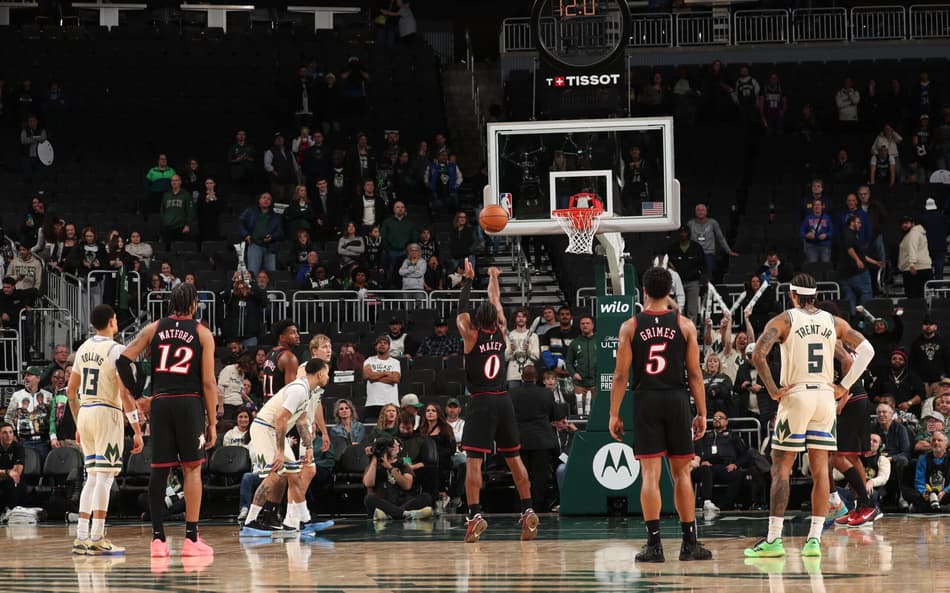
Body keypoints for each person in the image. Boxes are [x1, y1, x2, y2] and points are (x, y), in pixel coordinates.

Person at [744, 273, 874, 558]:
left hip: (796, 396)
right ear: (814, 295)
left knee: (781, 469)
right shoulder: (833, 322)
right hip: (825, 399)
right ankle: (814, 539)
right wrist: (844, 386)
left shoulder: (785, 319)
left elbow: (758, 354)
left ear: (792, 294)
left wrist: (774, 390)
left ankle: (773, 540)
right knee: (820, 470)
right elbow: (866, 350)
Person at [608, 266, 712, 563]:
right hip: (677, 398)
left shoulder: (630, 326)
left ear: (643, 291)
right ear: (670, 291)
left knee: (650, 476)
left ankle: (654, 546)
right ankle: (689, 544)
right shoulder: (685, 325)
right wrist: (702, 412)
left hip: (646, 400)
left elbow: (619, 375)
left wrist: (614, 414)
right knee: (682, 474)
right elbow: (694, 373)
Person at [116, 284, 217, 558]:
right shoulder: (202, 333)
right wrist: (212, 423)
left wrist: (139, 395)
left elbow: (123, 361)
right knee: (192, 469)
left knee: (160, 470)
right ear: (194, 304)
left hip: (160, 404)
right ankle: (191, 539)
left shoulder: (154, 328)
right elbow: (208, 382)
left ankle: (158, 540)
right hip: (189, 403)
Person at [456, 260, 539, 543]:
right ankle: (528, 509)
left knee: (474, 462)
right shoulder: (502, 332)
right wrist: (493, 276)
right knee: (514, 459)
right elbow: (496, 300)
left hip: (481, 401)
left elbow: (461, 311)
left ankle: (475, 515)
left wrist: (467, 281)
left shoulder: (471, 334)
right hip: (504, 399)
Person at [67, 304, 145, 555]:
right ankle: (98, 536)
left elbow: (70, 392)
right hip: (106, 412)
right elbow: (124, 393)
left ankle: (81, 536)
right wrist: (137, 428)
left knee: (92, 476)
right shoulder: (117, 350)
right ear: (113, 322)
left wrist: (79, 422)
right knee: (105, 476)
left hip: (86, 412)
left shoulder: (83, 348)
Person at [240, 359, 331, 537]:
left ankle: (304, 521)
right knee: (275, 473)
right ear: (320, 374)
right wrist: (280, 452)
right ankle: (250, 522)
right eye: (327, 373)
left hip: (273, 430)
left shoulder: (308, 390)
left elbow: (302, 420)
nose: (328, 377)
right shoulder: (298, 389)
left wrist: (309, 446)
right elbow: (281, 419)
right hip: (264, 428)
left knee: (294, 474)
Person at [511, 366, 557, 512]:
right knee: (540, 476)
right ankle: (537, 507)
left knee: (520, 474)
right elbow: (554, 414)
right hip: (541, 440)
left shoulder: (512, 393)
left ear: (522, 377)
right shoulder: (546, 394)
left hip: (520, 440)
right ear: (536, 378)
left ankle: (524, 506)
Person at [363, 434, 433, 521]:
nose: (395, 447)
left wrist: (390, 467)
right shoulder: (373, 465)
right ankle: (404, 514)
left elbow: (407, 485)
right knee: (369, 499)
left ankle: (390, 515)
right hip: (383, 503)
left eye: (397, 445)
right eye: (393, 445)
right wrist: (374, 458)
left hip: (402, 501)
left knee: (426, 497)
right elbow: (368, 483)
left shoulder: (403, 465)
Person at [691, 412, 751, 512]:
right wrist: (701, 462)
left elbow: (745, 455)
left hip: (725, 467)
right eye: (715, 418)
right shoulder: (705, 436)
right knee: (705, 471)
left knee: (739, 475)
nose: (717, 419)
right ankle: (706, 502)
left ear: (726, 421)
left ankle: (724, 506)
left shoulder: (733, 437)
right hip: (708, 466)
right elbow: (696, 452)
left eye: (720, 417)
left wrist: (735, 464)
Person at [903, 431, 950, 513]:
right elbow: (919, 481)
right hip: (928, 494)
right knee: (906, 491)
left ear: (946, 445)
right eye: (934, 440)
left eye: (939, 440)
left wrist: (945, 491)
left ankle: (926, 508)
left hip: (945, 493)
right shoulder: (923, 458)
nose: (936, 442)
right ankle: (940, 508)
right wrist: (924, 493)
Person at [362, 336, 401, 421]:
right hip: (373, 402)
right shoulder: (369, 360)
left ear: (389, 347)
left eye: (385, 343)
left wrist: (374, 377)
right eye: (380, 343)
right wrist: (385, 373)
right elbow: (367, 375)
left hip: (391, 403)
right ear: (376, 346)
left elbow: (395, 379)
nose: (382, 345)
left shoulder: (395, 362)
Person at [261, 320, 300, 401]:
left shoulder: (269, 354)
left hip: (266, 405)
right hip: (279, 407)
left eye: (297, 332)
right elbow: (291, 392)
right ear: (282, 337)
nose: (297, 336)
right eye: (293, 333)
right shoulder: (289, 357)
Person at [0, 422, 24, 513]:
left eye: (10, 432)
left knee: (11, 483)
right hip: (4, 479)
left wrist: (4, 474)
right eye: (4, 432)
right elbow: (11, 473)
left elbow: (16, 474)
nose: (8, 435)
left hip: (14, 482)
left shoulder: (18, 448)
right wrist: (8, 472)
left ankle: (11, 513)